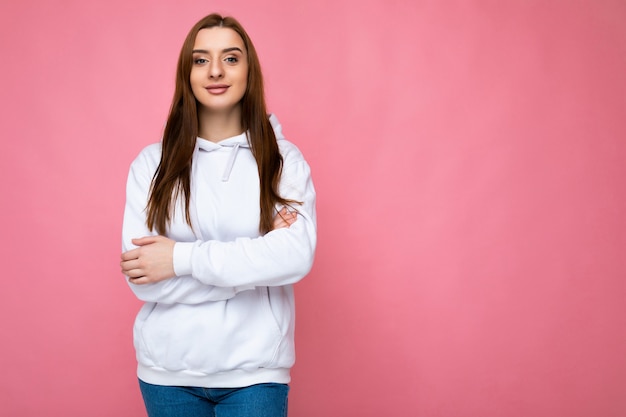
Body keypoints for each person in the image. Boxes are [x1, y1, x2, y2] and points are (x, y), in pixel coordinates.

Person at [120, 13, 316, 417]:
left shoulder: (282, 161)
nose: (214, 71)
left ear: (249, 71)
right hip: (166, 374)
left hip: (255, 374)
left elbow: (295, 257)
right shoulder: (150, 164)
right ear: (187, 73)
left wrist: (180, 259)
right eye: (200, 59)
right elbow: (144, 281)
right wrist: (255, 268)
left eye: (230, 58)